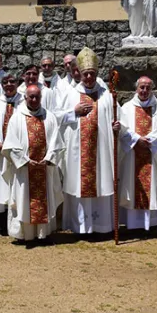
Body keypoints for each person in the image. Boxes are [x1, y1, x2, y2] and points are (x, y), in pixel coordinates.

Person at [57, 47, 117, 235]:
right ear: (79, 74)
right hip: (77, 153)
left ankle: (102, 227)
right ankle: (82, 227)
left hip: (100, 153)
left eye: (92, 74)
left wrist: (117, 126)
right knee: (78, 184)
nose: (89, 77)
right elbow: (55, 118)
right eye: (85, 74)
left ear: (96, 73)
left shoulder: (106, 95)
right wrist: (73, 112)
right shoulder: (70, 94)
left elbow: (117, 117)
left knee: (101, 183)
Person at [2, 84, 64, 244]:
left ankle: (44, 234)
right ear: (25, 97)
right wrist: (25, 161)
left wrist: (48, 159)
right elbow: (11, 144)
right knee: (23, 200)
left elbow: (56, 142)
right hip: (24, 170)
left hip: (45, 168)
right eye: (31, 97)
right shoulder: (17, 117)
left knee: (45, 199)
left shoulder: (49, 117)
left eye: (37, 97)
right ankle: (25, 234)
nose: (35, 100)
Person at [118, 77, 157, 231]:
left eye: (147, 88)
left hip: (151, 153)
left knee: (152, 184)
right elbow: (122, 129)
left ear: (152, 90)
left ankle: (151, 223)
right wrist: (137, 139)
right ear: (136, 89)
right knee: (132, 185)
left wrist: (148, 142)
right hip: (133, 154)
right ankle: (134, 224)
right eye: (142, 87)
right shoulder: (126, 108)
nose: (144, 91)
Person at [0, 71, 24, 232]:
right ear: (1, 84)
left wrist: (15, 147)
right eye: (5, 82)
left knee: (15, 186)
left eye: (12, 81)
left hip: (17, 153)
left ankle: (16, 221)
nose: (8, 85)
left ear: (17, 84)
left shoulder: (23, 103)